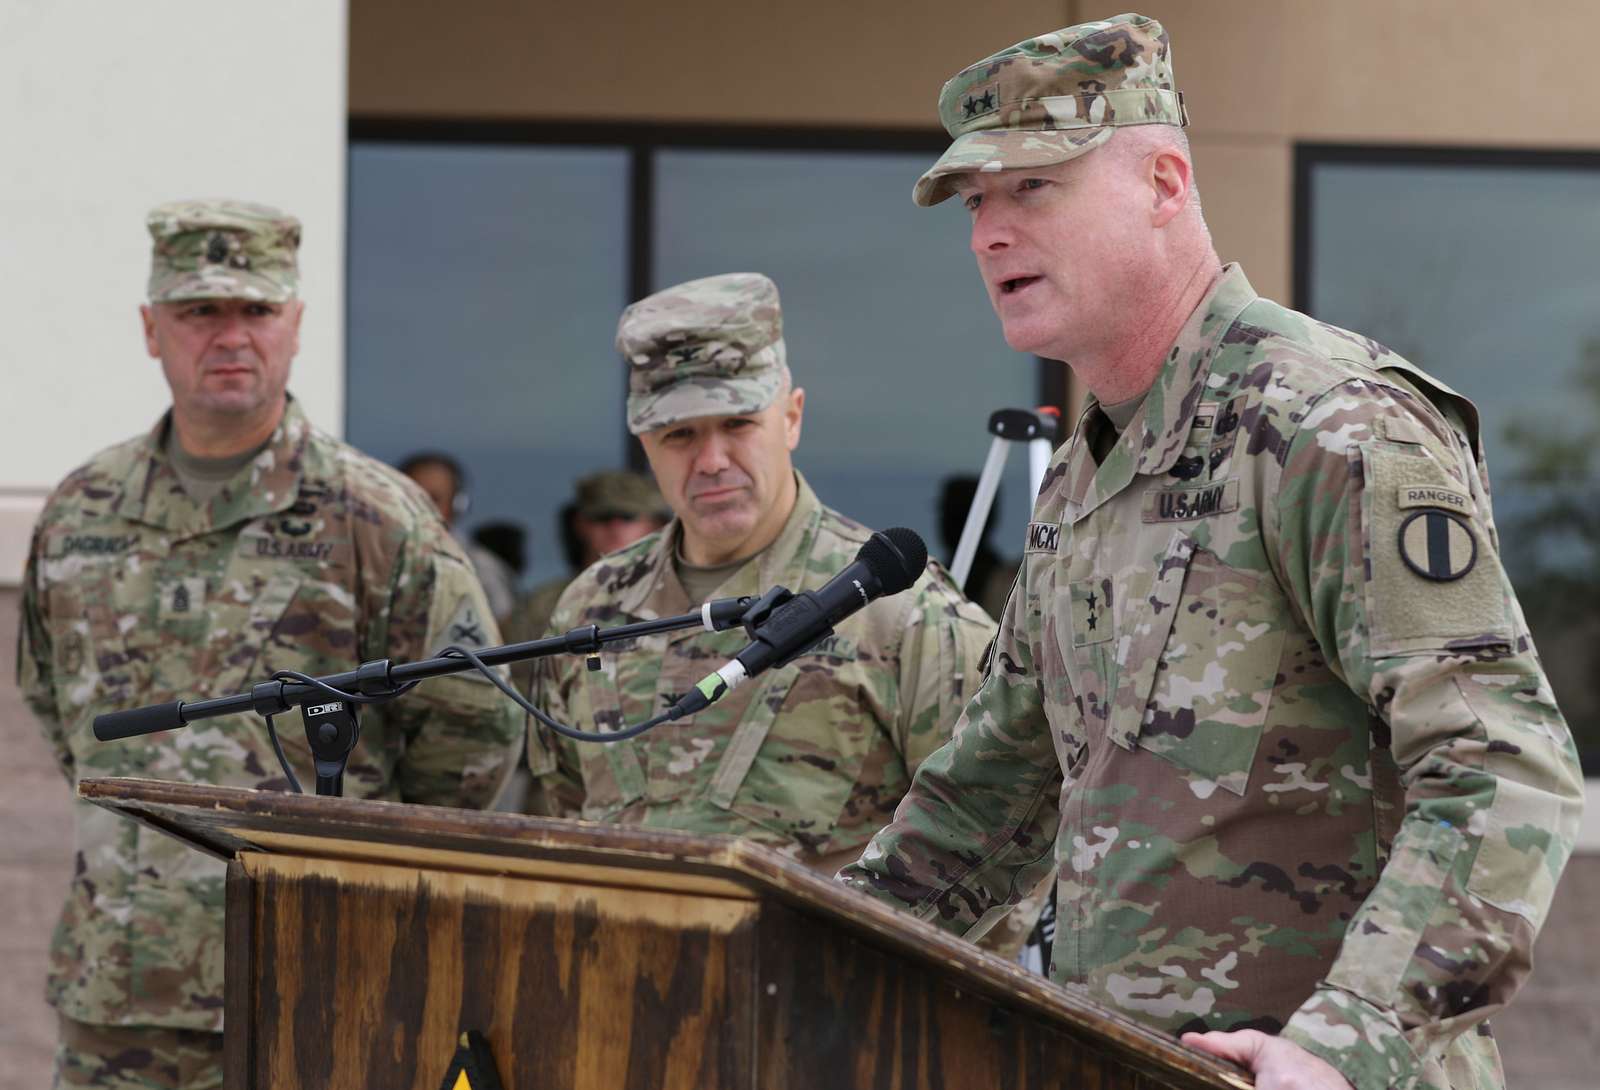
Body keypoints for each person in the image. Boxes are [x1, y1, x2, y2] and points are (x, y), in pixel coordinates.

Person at [837, 15, 1584, 1090]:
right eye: (973, 201)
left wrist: (1343, 1044)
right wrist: (797, 941)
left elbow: (1501, 767)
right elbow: (994, 790)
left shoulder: (1327, 425)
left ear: (1164, 181)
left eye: (1032, 187)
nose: (987, 233)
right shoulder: (1081, 477)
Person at [16, 199, 523, 1089]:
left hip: (323, 986)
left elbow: (471, 736)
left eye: (256, 311)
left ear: (295, 325)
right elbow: (63, 712)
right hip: (124, 997)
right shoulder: (79, 511)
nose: (230, 336)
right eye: (199, 312)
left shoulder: (376, 517)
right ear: (151, 330)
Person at [524, 272, 1048, 954]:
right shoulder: (594, 607)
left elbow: (1011, 849)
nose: (711, 460)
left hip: (824, 1023)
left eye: (739, 424)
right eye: (679, 435)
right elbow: (561, 812)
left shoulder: (897, 611)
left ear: (792, 417)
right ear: (644, 443)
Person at [504, 469, 669, 655]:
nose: (614, 528)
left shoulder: (681, 597)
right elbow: (518, 676)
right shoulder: (544, 605)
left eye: (627, 517)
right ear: (580, 524)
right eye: (602, 518)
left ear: (657, 525)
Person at [399, 451, 519, 623]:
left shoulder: (482, 569)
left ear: (458, 505)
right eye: (414, 497)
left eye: (434, 498)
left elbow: (505, 633)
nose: (422, 506)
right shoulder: (375, 560)